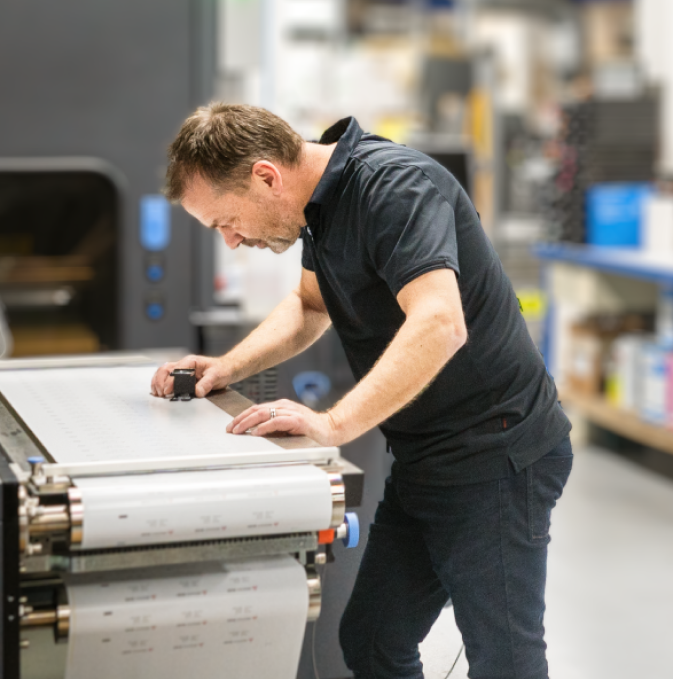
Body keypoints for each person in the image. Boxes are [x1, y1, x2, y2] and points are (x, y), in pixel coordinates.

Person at [151, 103, 573, 679]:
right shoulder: (321, 206)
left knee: (505, 660)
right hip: (426, 456)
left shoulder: (394, 189)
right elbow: (308, 305)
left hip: (498, 452)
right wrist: (226, 367)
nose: (229, 240)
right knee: (372, 641)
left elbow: (439, 323)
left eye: (225, 220)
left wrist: (332, 425)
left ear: (265, 177)